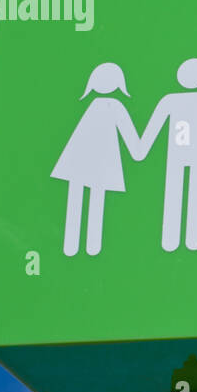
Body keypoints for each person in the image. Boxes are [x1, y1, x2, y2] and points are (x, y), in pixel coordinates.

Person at [51, 62, 145, 256]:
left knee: (78, 196)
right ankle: (89, 246)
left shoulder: (97, 106)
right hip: (99, 161)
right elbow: (130, 137)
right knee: (93, 198)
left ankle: (75, 246)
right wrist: (139, 149)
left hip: (82, 160)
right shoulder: (114, 106)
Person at [137, 58, 197, 252]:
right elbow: (155, 125)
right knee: (181, 191)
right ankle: (173, 239)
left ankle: (190, 239)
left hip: (191, 153)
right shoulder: (173, 100)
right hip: (182, 153)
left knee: (191, 191)